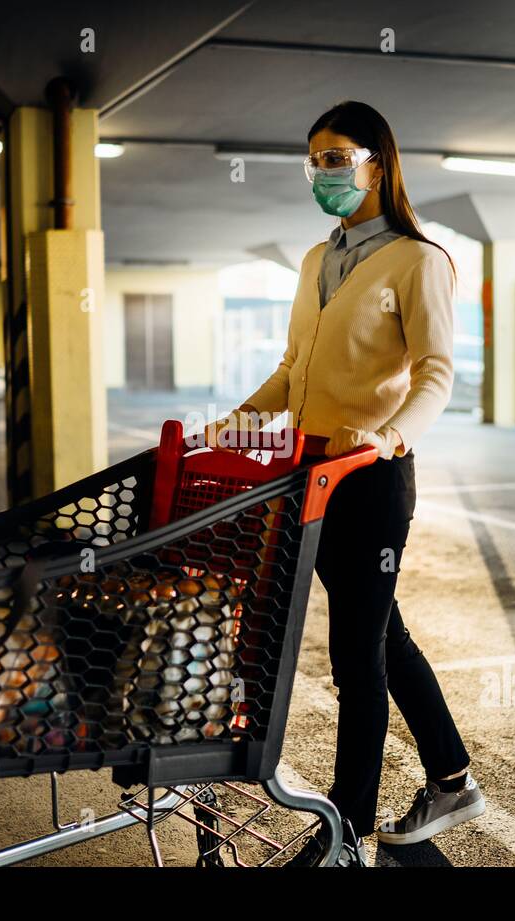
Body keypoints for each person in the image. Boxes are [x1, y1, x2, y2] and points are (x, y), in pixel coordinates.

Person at [209, 101, 484, 867]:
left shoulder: (419, 261)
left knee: (356, 660)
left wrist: (387, 437)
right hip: (308, 473)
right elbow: (291, 369)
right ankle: (453, 779)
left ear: (377, 164)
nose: (321, 173)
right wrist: (235, 421)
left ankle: (346, 834)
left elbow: (436, 375)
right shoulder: (314, 261)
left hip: (370, 477)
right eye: (314, 161)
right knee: (381, 633)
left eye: (336, 158)